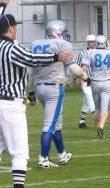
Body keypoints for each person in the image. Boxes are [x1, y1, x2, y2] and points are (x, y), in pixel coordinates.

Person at [0, 0, 73, 188]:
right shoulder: (11, 48)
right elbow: (31, 59)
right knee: (20, 151)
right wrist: (56, 57)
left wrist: (2, 6)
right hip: (10, 104)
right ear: (11, 28)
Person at [30, 20, 89, 168]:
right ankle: (43, 158)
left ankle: (62, 154)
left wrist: (30, 92)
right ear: (58, 32)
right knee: (50, 124)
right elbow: (74, 69)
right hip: (54, 88)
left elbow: (29, 72)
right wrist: (86, 77)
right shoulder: (62, 45)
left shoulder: (35, 43)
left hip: (39, 87)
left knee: (56, 122)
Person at [80, 35, 110, 139]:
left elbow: (82, 69)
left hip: (95, 83)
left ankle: (97, 126)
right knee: (105, 108)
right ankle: (101, 127)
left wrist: (82, 78)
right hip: (107, 82)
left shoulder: (89, 52)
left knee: (96, 108)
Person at [77, 34, 96, 128]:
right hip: (85, 79)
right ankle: (96, 117)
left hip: (95, 79)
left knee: (87, 101)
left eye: (94, 42)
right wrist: (79, 78)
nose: (94, 43)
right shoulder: (82, 53)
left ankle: (82, 122)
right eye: (92, 42)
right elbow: (77, 66)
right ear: (88, 43)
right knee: (90, 97)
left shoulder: (97, 52)